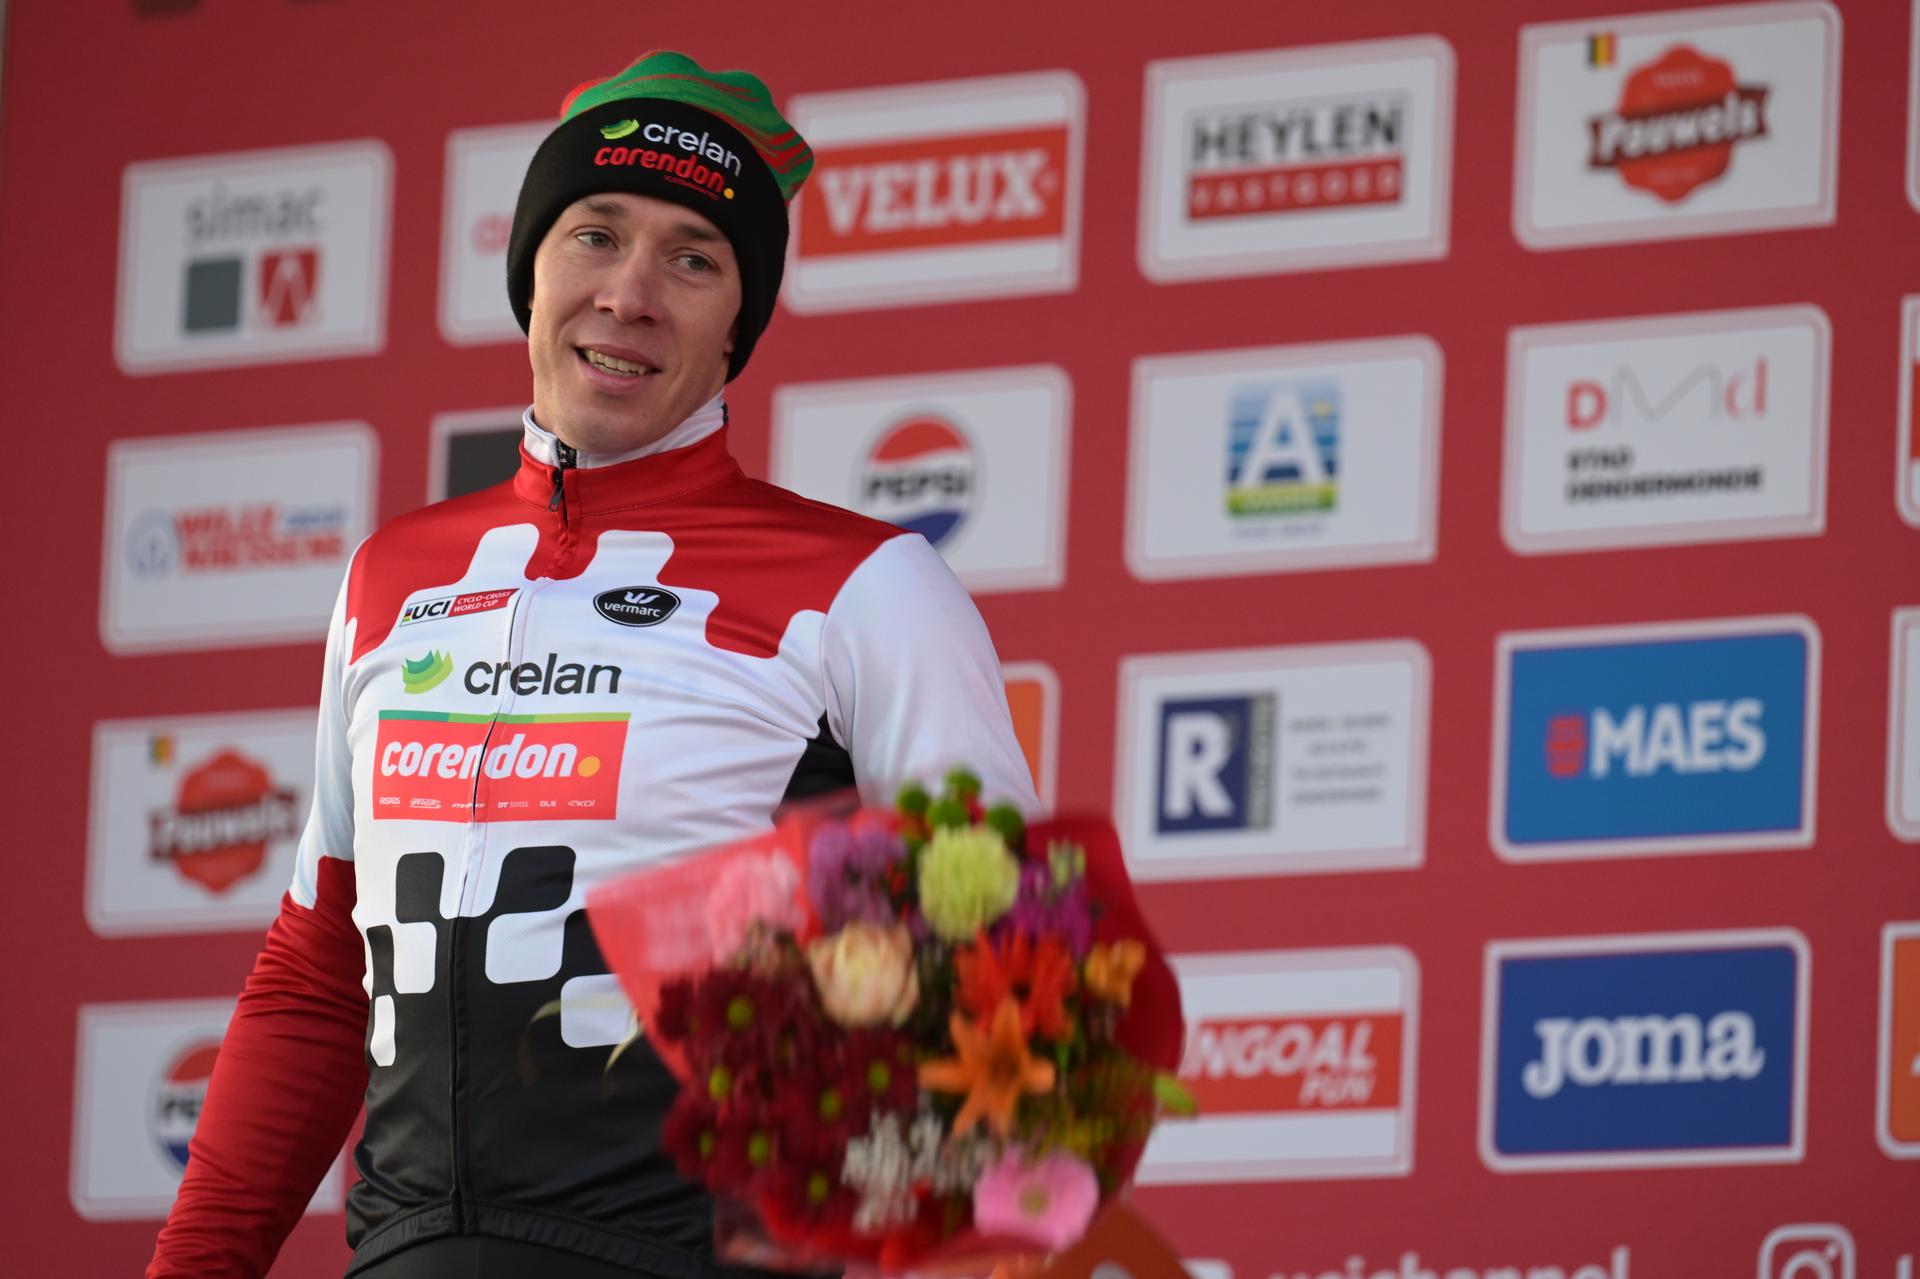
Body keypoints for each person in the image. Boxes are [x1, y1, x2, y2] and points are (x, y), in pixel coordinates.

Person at [149, 50, 1038, 1279]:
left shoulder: (866, 588)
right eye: (594, 235)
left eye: (692, 258)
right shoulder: (391, 578)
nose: (630, 295)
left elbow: (1009, 982)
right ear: (529, 273)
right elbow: (318, 974)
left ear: (740, 323)